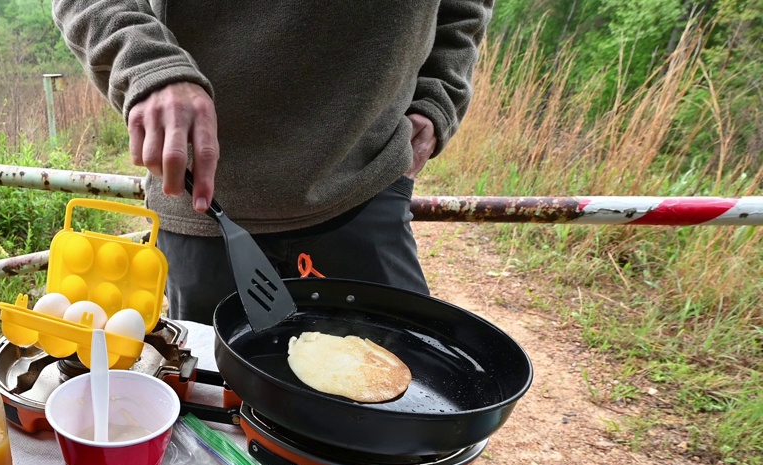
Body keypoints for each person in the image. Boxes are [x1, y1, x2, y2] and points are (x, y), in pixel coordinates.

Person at [53, 1, 493, 324]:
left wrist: (440, 96)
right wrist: (145, 64)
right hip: (204, 206)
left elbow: (466, 9)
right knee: (218, 425)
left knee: (392, 412)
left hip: (365, 185)